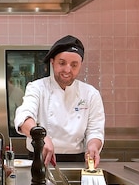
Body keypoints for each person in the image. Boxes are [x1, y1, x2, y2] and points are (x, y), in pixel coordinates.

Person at [14, 35, 105, 167]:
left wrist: (93, 146)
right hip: (40, 160)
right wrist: (40, 138)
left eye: (74, 65)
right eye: (62, 63)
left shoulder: (90, 94)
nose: (67, 70)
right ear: (52, 62)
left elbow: (95, 130)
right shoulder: (37, 88)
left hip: (77, 161)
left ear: (80, 65)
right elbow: (24, 116)